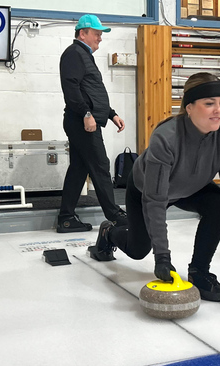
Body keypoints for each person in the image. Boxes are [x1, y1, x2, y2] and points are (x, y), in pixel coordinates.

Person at [88, 73, 220, 302]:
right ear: (190, 107)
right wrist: (162, 257)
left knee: (219, 204)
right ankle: (110, 232)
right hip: (146, 189)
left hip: (191, 188)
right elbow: (155, 201)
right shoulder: (166, 138)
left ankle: (200, 272)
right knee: (137, 250)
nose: (219, 110)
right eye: (209, 103)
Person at [56, 14, 127, 233]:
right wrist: (86, 113)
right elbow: (71, 88)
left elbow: (92, 91)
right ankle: (114, 215)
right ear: (82, 33)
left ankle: (66, 218)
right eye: (96, 34)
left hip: (86, 119)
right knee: (100, 164)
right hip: (81, 121)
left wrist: (111, 114)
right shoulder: (74, 54)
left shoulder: (83, 55)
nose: (100, 38)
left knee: (79, 169)